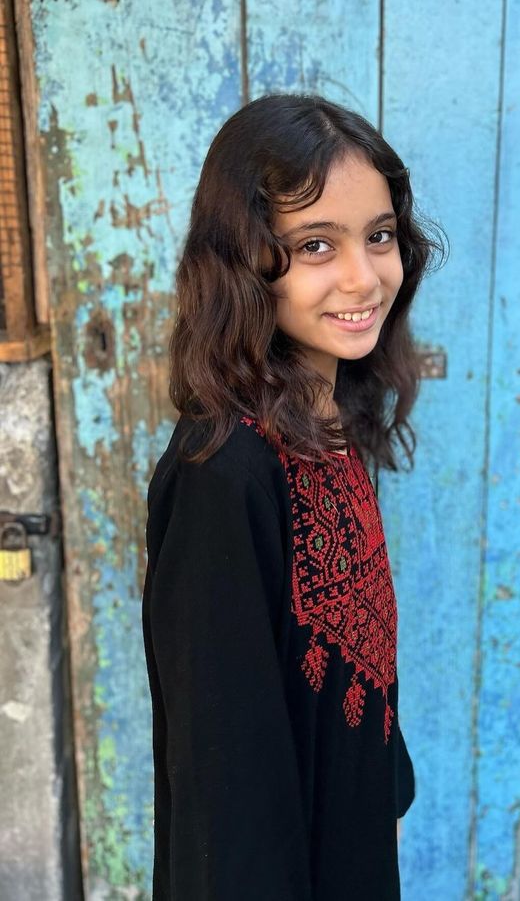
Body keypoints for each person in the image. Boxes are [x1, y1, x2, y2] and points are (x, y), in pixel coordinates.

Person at [141, 92, 445, 900]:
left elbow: (354, 654)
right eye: (316, 244)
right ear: (242, 262)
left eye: (378, 237)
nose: (362, 276)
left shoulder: (332, 417)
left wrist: (383, 789)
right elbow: (222, 771)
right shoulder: (223, 472)